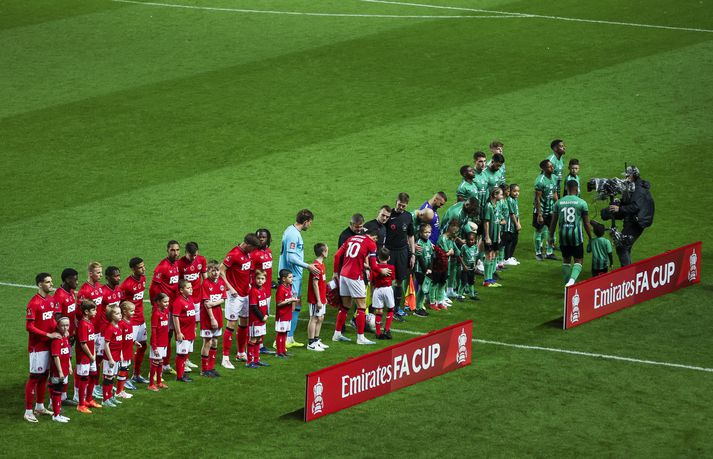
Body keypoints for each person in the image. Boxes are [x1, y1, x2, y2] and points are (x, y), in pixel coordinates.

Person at [332, 228, 391, 344]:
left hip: (343, 274)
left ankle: (337, 334)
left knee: (345, 306)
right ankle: (360, 338)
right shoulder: (371, 243)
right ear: (374, 237)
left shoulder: (351, 238)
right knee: (362, 307)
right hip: (355, 276)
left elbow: (337, 255)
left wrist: (335, 272)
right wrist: (381, 271)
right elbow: (374, 265)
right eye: (375, 239)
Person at [278, 209, 321, 347]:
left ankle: (289, 337)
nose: (310, 225)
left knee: (296, 304)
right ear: (306, 222)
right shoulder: (292, 234)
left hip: (294, 275)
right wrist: (307, 266)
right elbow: (290, 257)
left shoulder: (292, 231)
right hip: (291, 276)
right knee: (289, 306)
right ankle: (282, 339)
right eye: (310, 223)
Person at [24, 273, 60, 423]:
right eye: (47, 282)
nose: (51, 284)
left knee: (44, 376)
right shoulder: (34, 303)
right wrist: (48, 334)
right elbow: (29, 326)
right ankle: (27, 411)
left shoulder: (51, 301)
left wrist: (58, 331)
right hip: (37, 347)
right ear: (40, 284)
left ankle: (39, 406)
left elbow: (51, 320)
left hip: (48, 345)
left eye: (51, 281)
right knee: (34, 378)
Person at [220, 233, 259, 368]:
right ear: (248, 245)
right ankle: (225, 358)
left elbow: (245, 272)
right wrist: (230, 288)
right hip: (234, 295)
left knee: (244, 323)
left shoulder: (247, 254)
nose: (254, 251)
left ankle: (241, 352)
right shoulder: (234, 254)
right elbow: (221, 270)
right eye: (253, 248)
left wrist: (248, 284)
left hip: (245, 293)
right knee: (231, 324)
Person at [606, 165, 654, 266]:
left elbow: (635, 206)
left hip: (637, 223)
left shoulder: (638, 189)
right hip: (635, 220)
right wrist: (620, 202)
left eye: (628, 176)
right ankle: (629, 272)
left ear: (633, 176)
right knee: (625, 246)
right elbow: (630, 202)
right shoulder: (635, 186)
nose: (625, 178)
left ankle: (627, 275)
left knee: (622, 246)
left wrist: (620, 209)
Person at [549, 180, 593, 286]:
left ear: (566, 188)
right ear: (577, 189)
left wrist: (550, 237)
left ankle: (567, 283)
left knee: (566, 260)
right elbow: (586, 223)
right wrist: (590, 238)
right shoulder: (582, 203)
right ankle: (572, 281)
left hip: (563, 235)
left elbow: (553, 222)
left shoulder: (558, 202)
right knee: (578, 260)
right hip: (576, 236)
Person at [149, 241, 180, 374]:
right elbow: (153, 288)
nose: (176, 253)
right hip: (164, 308)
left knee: (169, 335)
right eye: (173, 250)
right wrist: (156, 305)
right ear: (167, 250)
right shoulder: (162, 267)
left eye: (178, 250)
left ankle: (166, 364)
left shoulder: (176, 264)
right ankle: (155, 368)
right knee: (161, 335)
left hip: (173, 306)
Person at [385, 193, 416, 319]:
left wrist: (413, 254)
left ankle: (396, 308)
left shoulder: (408, 216)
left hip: (403, 252)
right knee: (386, 280)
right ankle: (385, 306)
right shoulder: (388, 216)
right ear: (396, 202)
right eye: (399, 205)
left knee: (399, 280)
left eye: (403, 206)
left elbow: (411, 235)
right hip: (389, 252)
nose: (401, 208)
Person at [120, 257, 149, 385]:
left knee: (143, 346)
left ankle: (136, 374)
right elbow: (121, 305)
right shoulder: (126, 285)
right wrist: (124, 322)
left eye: (143, 266)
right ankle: (123, 378)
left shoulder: (143, 279)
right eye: (140, 267)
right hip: (131, 322)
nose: (143, 269)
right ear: (133, 269)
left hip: (141, 320)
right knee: (127, 350)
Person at [53, 267, 79, 404]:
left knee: (67, 363)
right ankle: (56, 399)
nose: (77, 282)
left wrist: (73, 331)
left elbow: (71, 314)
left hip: (70, 335)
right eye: (75, 279)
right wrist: (65, 332)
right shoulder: (59, 295)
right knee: (60, 366)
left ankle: (62, 397)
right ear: (67, 280)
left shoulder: (71, 292)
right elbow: (57, 316)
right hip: (62, 337)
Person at [251, 228, 276, 356]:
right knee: (257, 318)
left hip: (267, 292)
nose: (261, 239)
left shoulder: (269, 252)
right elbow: (250, 273)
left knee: (264, 317)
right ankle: (252, 346)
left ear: (268, 238)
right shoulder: (254, 254)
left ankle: (260, 345)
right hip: (258, 292)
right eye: (259, 237)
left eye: (263, 237)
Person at [200, 260, 226, 377]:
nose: (215, 273)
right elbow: (206, 303)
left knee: (215, 341)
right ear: (208, 271)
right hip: (208, 317)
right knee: (208, 342)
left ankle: (211, 367)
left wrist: (214, 303)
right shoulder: (205, 284)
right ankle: (204, 369)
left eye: (216, 270)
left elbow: (223, 298)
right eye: (212, 270)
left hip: (218, 315)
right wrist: (212, 318)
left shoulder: (221, 282)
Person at [75, 300, 100, 414]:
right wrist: (91, 355)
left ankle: (89, 399)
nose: (96, 312)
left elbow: (91, 341)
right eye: (93, 310)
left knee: (94, 376)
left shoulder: (90, 322)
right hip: (84, 357)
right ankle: (81, 404)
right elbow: (83, 343)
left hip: (91, 356)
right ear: (86, 311)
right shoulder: (83, 324)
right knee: (84, 379)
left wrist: (93, 354)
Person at [533, 159, 559, 261]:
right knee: (539, 230)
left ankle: (549, 252)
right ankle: (538, 252)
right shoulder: (540, 181)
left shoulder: (554, 177)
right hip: (542, 210)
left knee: (551, 231)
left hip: (551, 210)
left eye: (552, 166)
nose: (552, 168)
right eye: (549, 167)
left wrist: (558, 206)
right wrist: (539, 214)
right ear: (543, 168)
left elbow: (554, 194)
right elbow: (537, 199)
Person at [49, 317, 72, 423]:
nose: (65, 327)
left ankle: (58, 413)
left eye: (67, 325)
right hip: (58, 371)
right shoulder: (57, 340)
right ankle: (56, 415)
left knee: (60, 390)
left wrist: (70, 366)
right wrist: (60, 371)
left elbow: (67, 354)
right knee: (57, 391)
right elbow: (56, 356)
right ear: (58, 326)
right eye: (63, 325)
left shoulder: (65, 337)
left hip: (65, 368)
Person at [173, 280, 196, 382]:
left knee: (186, 354)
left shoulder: (190, 299)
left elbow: (192, 315)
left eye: (191, 287)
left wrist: (194, 329)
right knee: (181, 354)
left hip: (190, 331)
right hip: (183, 332)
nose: (191, 289)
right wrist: (178, 332)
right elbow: (175, 317)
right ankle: (179, 376)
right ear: (181, 290)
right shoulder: (178, 302)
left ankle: (182, 373)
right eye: (188, 288)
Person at [307, 243, 329, 352]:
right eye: (327, 250)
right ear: (323, 252)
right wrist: (319, 300)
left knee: (321, 318)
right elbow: (315, 284)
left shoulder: (322, 264)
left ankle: (316, 340)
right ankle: (311, 343)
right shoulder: (316, 266)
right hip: (315, 299)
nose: (328, 252)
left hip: (322, 297)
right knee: (314, 318)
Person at [246, 270, 270, 368]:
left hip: (262, 320)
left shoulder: (263, 290)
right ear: (254, 279)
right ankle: (249, 361)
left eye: (262, 279)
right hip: (255, 321)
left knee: (259, 339)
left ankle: (256, 360)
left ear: (265, 280)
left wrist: (267, 314)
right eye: (258, 278)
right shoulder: (253, 291)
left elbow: (265, 304)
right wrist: (262, 317)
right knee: (253, 339)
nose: (260, 281)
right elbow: (254, 307)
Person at [371, 247, 397, 337]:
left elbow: (372, 280)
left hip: (377, 290)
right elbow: (393, 278)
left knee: (378, 311)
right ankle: (387, 329)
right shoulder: (391, 267)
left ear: (378, 258)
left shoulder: (375, 268)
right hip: (387, 289)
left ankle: (378, 333)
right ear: (389, 258)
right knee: (390, 309)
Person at [433, 222, 459, 309]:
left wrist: (451, 251)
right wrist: (450, 251)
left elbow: (455, 251)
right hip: (439, 265)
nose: (456, 233)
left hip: (445, 264)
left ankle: (441, 301)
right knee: (436, 283)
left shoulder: (450, 239)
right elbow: (446, 253)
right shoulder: (443, 238)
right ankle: (434, 301)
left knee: (443, 282)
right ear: (450, 228)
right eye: (455, 230)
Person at [275, 269, 300, 357]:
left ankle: (283, 351)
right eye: (290, 277)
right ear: (284, 279)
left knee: (285, 333)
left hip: (287, 314)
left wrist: (293, 300)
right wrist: (290, 300)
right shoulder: (281, 289)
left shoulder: (289, 287)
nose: (292, 279)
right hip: (281, 315)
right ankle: (279, 352)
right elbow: (279, 303)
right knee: (280, 333)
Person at [148, 293, 170, 391]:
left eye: (167, 302)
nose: (166, 304)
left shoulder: (165, 312)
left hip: (164, 342)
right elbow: (154, 331)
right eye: (164, 302)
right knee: (155, 362)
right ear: (158, 302)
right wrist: (154, 346)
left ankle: (159, 382)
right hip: (157, 343)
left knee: (161, 362)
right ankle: (151, 384)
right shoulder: (156, 314)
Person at [483, 188, 505, 287]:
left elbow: (500, 219)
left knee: (494, 255)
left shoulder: (498, 205)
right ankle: (486, 280)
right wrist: (487, 236)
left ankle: (491, 278)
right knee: (489, 255)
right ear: (495, 195)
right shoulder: (489, 206)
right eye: (501, 194)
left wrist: (499, 235)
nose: (502, 196)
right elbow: (486, 222)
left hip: (496, 235)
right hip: (490, 235)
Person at [116, 301, 138, 399]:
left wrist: (134, 342)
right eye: (132, 311)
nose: (134, 313)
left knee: (125, 370)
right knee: (122, 370)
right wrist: (120, 353)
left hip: (128, 350)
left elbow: (129, 336)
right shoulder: (121, 324)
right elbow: (119, 340)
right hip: (122, 352)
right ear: (124, 312)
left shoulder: (130, 321)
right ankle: (119, 391)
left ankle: (121, 390)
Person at [102, 305, 122, 407]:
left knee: (112, 377)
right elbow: (106, 344)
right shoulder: (110, 328)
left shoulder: (119, 327)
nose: (120, 315)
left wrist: (121, 355)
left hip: (116, 358)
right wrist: (110, 359)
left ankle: (110, 396)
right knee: (108, 378)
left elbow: (119, 344)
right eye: (117, 313)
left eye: (120, 313)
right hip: (110, 359)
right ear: (111, 316)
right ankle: (105, 399)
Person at [414, 224, 435, 312]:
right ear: (421, 233)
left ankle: (420, 305)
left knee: (424, 288)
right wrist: (426, 269)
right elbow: (419, 258)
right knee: (422, 289)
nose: (427, 234)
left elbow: (432, 256)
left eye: (429, 232)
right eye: (425, 232)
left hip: (427, 270)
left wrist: (430, 268)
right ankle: (418, 307)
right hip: (420, 270)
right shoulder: (419, 243)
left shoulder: (429, 242)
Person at [503, 184, 522, 266]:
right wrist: (517, 224)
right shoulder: (510, 200)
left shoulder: (515, 200)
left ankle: (510, 257)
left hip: (515, 224)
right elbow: (512, 214)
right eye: (514, 191)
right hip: (510, 225)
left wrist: (519, 223)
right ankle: (506, 258)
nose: (516, 193)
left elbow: (517, 213)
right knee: (509, 241)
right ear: (510, 192)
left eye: (518, 191)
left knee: (514, 240)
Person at [459, 232, 480, 300]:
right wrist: (463, 265)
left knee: (471, 281)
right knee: (464, 282)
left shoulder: (475, 247)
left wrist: (475, 265)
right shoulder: (464, 247)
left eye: (472, 240)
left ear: (475, 240)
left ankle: (472, 295)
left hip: (472, 267)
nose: (470, 241)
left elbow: (475, 257)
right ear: (466, 240)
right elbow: (460, 256)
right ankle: (460, 295)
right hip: (465, 268)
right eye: (469, 240)